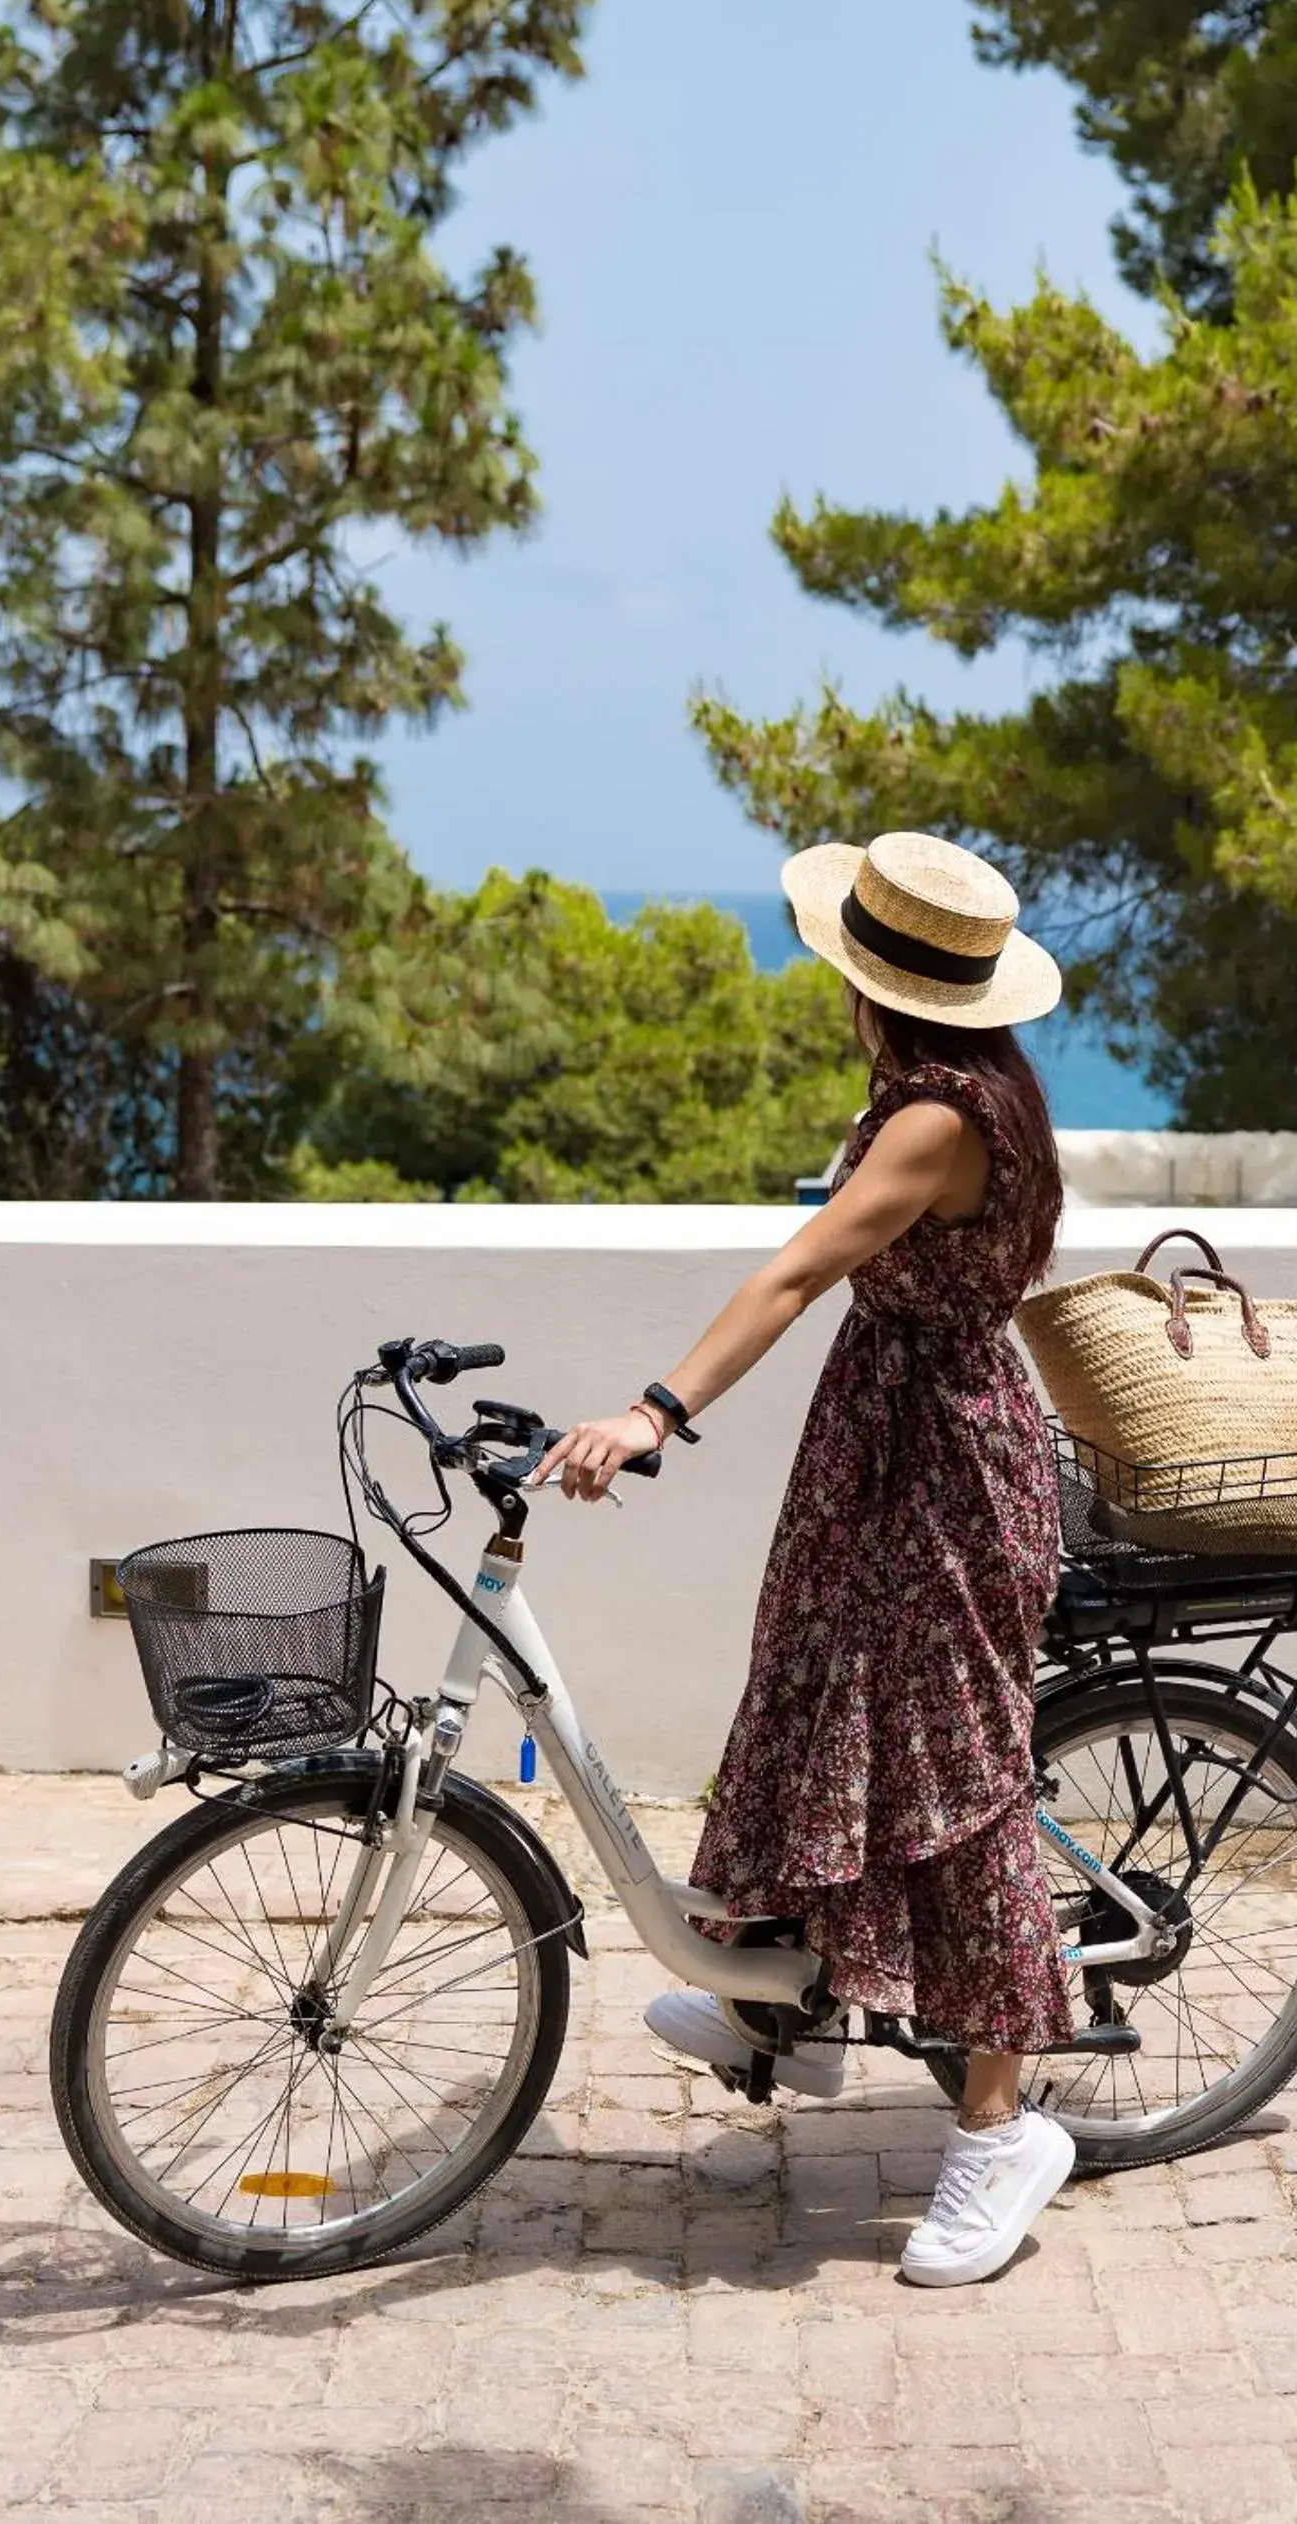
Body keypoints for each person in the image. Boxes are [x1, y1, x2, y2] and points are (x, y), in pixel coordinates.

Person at [535, 830, 1076, 2288]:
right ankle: (793, 2003)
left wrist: (656, 1411)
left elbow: (796, 1270)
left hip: (945, 1470)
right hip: (886, 1442)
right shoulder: (956, 1086)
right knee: (813, 1710)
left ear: (877, 985)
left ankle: (1001, 2129)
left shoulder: (939, 1119)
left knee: (960, 1792)